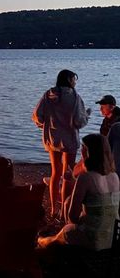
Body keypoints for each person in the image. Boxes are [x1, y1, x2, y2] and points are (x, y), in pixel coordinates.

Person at [38, 134, 119, 251]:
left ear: (86, 153)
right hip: (111, 237)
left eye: (82, 150)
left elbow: (73, 217)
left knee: (57, 237)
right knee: (70, 211)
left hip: (93, 239)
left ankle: (41, 241)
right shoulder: (115, 177)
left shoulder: (86, 178)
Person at [32, 69, 91, 218]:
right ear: (69, 80)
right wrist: (87, 116)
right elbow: (79, 121)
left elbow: (38, 116)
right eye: (74, 79)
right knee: (68, 174)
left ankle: (53, 209)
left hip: (52, 139)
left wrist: (44, 125)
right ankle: (64, 211)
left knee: (55, 173)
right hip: (69, 139)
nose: (75, 82)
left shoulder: (48, 95)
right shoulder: (75, 98)